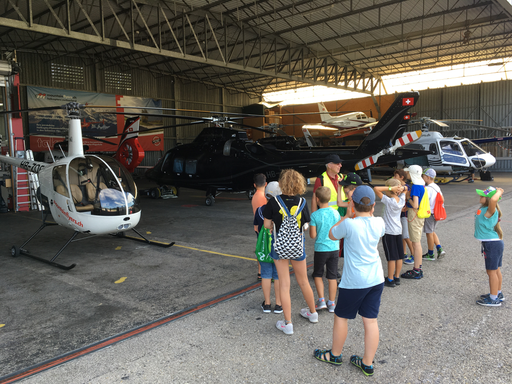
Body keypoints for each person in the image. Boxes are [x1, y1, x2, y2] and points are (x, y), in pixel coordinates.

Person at [313, 185, 385, 376]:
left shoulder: (349, 224)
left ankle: (335, 354)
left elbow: (331, 234)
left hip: (354, 280)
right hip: (376, 278)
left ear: (352, 204)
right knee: (370, 321)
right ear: (373, 206)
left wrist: (346, 216)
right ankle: (367, 363)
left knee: (341, 316)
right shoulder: (379, 222)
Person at [263, 169, 317, 335]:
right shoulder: (302, 202)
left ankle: (288, 324)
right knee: (303, 281)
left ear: (282, 183)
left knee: (284, 284)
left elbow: (266, 225)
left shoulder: (273, 202)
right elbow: (306, 224)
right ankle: (313, 313)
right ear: (299, 183)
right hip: (297, 246)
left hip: (279, 247)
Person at [309, 186, 341, 313]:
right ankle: (332, 303)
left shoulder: (315, 215)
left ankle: (321, 300)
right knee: (332, 276)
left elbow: (312, 235)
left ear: (317, 199)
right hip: (334, 248)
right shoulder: (336, 213)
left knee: (318, 274)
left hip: (321, 249)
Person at [254, 181, 283, 314]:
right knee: (277, 275)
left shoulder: (260, 211)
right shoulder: (283, 211)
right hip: (279, 246)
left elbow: (256, 228)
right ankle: (278, 304)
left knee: (266, 274)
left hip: (265, 247)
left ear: (266, 196)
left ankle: (267, 304)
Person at [474, 186, 505, 306]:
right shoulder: (486, 209)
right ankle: (497, 293)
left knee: (491, 272)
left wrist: (498, 192)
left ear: (488, 199)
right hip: (493, 243)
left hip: (492, 244)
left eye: (483, 195)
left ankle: (493, 299)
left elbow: (493, 200)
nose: (480, 196)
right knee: (495, 270)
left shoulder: (490, 210)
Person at [373, 178, 406, 287]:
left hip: (389, 232)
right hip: (398, 230)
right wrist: (400, 189)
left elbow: (376, 189)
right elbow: (406, 190)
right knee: (399, 255)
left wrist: (391, 187)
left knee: (391, 257)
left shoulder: (388, 201)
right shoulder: (401, 200)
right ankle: (397, 276)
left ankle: (390, 279)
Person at [401, 165, 427, 279]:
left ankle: (417, 270)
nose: (406, 174)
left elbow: (415, 205)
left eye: (408, 172)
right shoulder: (421, 184)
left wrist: (407, 197)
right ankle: (418, 268)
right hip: (419, 216)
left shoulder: (416, 186)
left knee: (416, 243)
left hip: (414, 215)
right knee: (417, 242)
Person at [422, 168, 446, 261]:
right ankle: (439, 248)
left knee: (429, 233)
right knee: (431, 231)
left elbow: (424, 201)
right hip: (436, 213)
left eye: (423, 176)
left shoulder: (427, 189)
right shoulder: (436, 187)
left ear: (427, 177)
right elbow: (442, 199)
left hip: (430, 213)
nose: (422, 178)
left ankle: (430, 253)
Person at [394, 169, 414, 262]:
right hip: (400, 213)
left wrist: (406, 207)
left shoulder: (406, 188)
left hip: (405, 214)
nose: (394, 178)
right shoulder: (397, 186)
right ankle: (404, 253)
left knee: (405, 235)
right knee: (402, 234)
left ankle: (414, 254)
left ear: (401, 177)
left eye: (396, 176)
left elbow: (409, 199)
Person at [252, 173, 268, 281]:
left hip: (257, 226)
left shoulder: (254, 196)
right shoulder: (264, 198)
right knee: (266, 248)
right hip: (264, 227)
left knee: (260, 249)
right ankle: (265, 272)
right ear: (266, 184)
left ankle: (260, 271)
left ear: (254, 185)